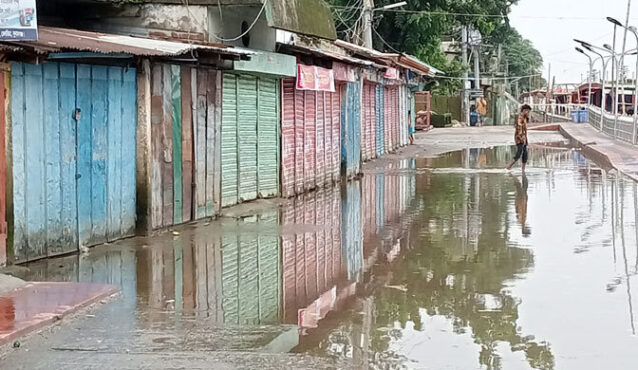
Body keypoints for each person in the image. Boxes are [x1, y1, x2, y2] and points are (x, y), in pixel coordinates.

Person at [507, 104, 531, 172]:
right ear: (524, 110)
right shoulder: (520, 118)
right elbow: (519, 128)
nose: (528, 113)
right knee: (519, 152)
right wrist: (521, 138)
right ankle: (509, 166)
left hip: (524, 138)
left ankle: (523, 169)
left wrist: (526, 140)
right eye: (527, 111)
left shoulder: (525, 118)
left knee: (525, 154)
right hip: (519, 138)